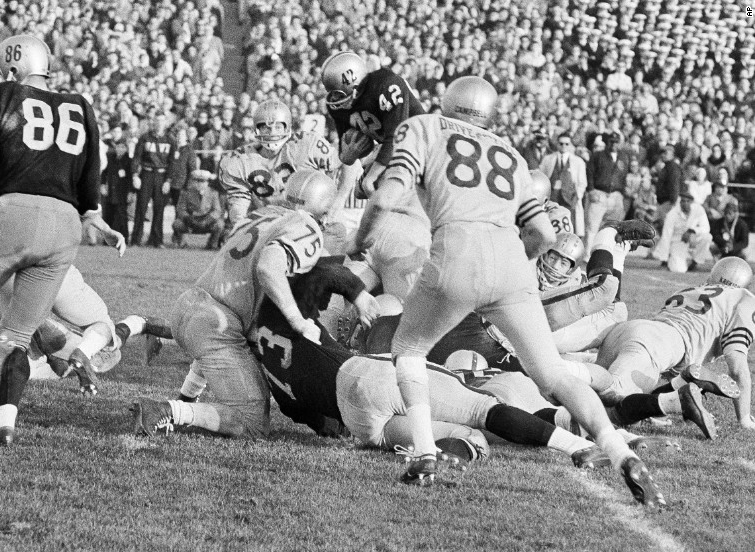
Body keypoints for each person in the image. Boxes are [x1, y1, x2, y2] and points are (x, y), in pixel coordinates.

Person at [354, 76, 662, 507]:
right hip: (511, 265)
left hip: (456, 251)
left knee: (408, 350)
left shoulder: (423, 126)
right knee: (552, 371)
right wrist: (514, 265)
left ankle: (425, 453)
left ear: (448, 103)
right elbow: (539, 233)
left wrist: (360, 239)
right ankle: (618, 450)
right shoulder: (512, 155)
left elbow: (385, 199)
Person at [252, 257, 611, 468]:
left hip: (358, 420)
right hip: (370, 374)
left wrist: (330, 427)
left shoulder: (262, 347)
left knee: (464, 434)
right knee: (481, 410)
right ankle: (577, 446)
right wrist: (359, 296)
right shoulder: (291, 301)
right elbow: (329, 274)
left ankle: (463, 445)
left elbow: (296, 409)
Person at [0, 35, 101, 445]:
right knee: (23, 338)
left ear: (11, 69)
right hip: (66, 227)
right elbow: (90, 182)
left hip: (16, 213)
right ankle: (3, 422)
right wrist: (95, 216)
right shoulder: (81, 105)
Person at [131, 170, 366, 439]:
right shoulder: (306, 227)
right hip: (217, 324)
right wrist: (298, 321)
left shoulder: (263, 213)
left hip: (189, 305)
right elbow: (269, 267)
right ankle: (168, 411)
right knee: (252, 422)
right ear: (323, 208)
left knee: (242, 351)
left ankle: (183, 400)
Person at [593, 257, 755, 439]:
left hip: (627, 332)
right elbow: (738, 368)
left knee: (585, 392)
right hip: (656, 343)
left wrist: (648, 407)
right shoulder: (744, 299)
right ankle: (673, 398)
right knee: (603, 415)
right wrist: (744, 419)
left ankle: (669, 394)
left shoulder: (690, 290)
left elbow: (670, 364)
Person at [219, 99, 339, 231]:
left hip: (313, 221)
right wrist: (242, 228)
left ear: (287, 128)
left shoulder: (306, 144)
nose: (272, 132)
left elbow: (349, 163)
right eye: (265, 127)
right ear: (256, 129)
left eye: (277, 127)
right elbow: (238, 207)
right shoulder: (239, 160)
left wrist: (339, 199)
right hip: (271, 225)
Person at [321, 51, 424, 197]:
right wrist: (347, 157)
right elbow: (345, 149)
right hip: (393, 147)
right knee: (360, 192)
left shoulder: (385, 83)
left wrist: (372, 175)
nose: (335, 99)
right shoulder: (337, 107)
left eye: (338, 93)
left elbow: (397, 136)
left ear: (352, 79)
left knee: (372, 186)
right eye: (332, 93)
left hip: (420, 144)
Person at [131, 113, 175, 248]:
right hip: (146, 174)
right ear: (153, 122)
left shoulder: (170, 140)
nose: (159, 123)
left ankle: (156, 240)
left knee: (159, 208)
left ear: (165, 123)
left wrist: (168, 180)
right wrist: (135, 175)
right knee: (141, 208)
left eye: (162, 121)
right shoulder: (145, 138)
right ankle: (136, 240)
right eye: (157, 121)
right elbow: (137, 157)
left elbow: (172, 162)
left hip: (161, 176)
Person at [585, 132, 629, 256]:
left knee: (612, 227)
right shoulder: (598, 155)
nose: (613, 144)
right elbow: (589, 173)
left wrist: (622, 193)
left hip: (616, 195)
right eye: (611, 141)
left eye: (616, 142)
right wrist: (591, 190)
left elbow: (624, 176)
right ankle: (588, 254)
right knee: (592, 227)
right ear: (607, 142)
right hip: (600, 193)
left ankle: (606, 252)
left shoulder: (623, 157)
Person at [539, 133, 586, 235]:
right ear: (557, 144)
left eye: (566, 144)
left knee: (569, 229)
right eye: (561, 143)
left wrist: (577, 196)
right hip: (552, 199)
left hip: (570, 200)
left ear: (570, 145)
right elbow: (541, 177)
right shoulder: (548, 159)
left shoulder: (578, 161)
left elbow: (582, 183)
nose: (564, 146)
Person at [654, 192, 712, 272]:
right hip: (677, 241)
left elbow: (706, 227)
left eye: (688, 201)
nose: (685, 204)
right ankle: (671, 259)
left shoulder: (699, 209)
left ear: (692, 202)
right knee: (679, 270)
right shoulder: (672, 214)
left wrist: (692, 231)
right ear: (680, 202)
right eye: (683, 201)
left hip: (693, 238)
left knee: (707, 237)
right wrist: (664, 259)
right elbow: (666, 236)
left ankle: (695, 263)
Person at [171, 169, 223, 249]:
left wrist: (208, 219)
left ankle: (212, 244)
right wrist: (188, 218)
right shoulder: (186, 193)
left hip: (206, 221)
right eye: (197, 181)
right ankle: (181, 242)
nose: (200, 184)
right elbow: (180, 209)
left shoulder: (213, 193)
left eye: (203, 182)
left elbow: (217, 210)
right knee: (177, 224)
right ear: (193, 182)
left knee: (219, 225)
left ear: (207, 182)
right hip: (191, 221)